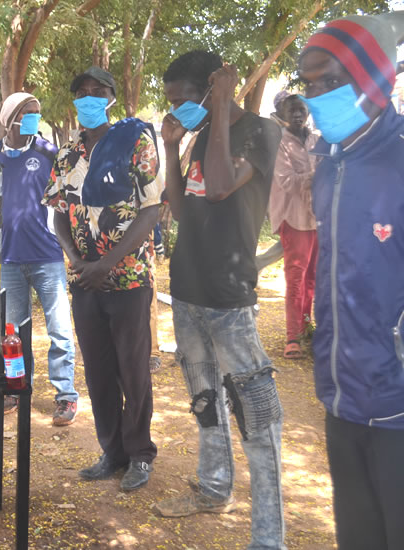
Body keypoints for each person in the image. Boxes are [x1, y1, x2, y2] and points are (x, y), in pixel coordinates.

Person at [153, 51, 285, 550]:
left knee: (255, 415)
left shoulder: (259, 132)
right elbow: (184, 210)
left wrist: (228, 104)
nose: (178, 109)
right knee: (205, 400)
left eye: (184, 99)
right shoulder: (204, 134)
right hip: (187, 289)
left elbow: (222, 188)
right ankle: (213, 488)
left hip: (230, 298)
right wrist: (172, 149)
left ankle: (269, 537)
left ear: (211, 88)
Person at [298, 13, 404, 548]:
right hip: (341, 395)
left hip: (398, 406)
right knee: (358, 536)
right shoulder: (329, 163)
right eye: (310, 84)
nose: (316, 95)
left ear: (371, 80)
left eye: (330, 81)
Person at [46, 66, 161, 491]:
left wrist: (107, 262)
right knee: (97, 370)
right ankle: (112, 452)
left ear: (111, 98)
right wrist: (77, 261)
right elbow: (58, 213)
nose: (89, 97)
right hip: (84, 281)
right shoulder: (66, 154)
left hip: (127, 277)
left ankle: (140, 454)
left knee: (133, 370)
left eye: (98, 91)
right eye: (82, 92)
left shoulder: (136, 142)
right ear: (74, 101)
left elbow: (151, 210)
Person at [0, 92, 79, 426]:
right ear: (10, 119)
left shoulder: (48, 153)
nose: (34, 120)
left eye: (38, 113)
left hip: (47, 257)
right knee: (13, 332)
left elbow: (67, 197)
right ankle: (16, 387)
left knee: (60, 330)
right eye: (28, 114)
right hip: (6, 260)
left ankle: (66, 396)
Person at [268, 92, 319, 360]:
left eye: (301, 109)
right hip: (294, 218)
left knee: (312, 277)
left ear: (307, 111)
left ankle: (306, 327)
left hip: (316, 217)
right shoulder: (281, 144)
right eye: (292, 111)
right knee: (296, 279)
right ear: (284, 116)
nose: (297, 114)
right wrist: (318, 175)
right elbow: (287, 181)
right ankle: (292, 338)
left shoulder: (316, 139)